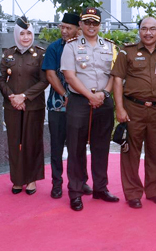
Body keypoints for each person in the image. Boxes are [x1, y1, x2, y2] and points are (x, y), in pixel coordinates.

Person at [112, 16, 156, 209]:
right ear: (139, 30)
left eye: (152, 29)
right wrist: (120, 108)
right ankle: (133, 193)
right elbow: (117, 80)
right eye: (144, 28)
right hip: (133, 108)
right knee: (131, 152)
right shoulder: (127, 52)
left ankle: (155, 191)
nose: (148, 32)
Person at [61, 7, 119, 211]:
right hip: (79, 101)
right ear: (81, 25)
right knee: (76, 148)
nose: (91, 26)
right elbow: (69, 76)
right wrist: (90, 95)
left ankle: (101, 188)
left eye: (95, 23)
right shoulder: (71, 47)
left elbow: (115, 75)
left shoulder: (110, 47)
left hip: (104, 100)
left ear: (100, 25)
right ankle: (75, 192)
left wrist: (103, 94)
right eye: (87, 22)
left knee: (101, 147)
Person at [42, 12, 92, 199]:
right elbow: (50, 74)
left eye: (68, 28)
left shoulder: (86, 47)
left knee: (78, 147)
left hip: (80, 106)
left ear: (78, 29)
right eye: (61, 27)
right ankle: (57, 183)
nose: (63, 31)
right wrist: (65, 95)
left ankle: (80, 181)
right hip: (58, 106)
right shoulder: (54, 48)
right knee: (56, 147)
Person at [0, 16, 49, 196]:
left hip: (33, 106)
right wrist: (12, 96)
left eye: (28, 33)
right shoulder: (7, 54)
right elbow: (0, 79)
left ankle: (32, 178)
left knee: (32, 142)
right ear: (16, 34)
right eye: (22, 33)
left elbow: (45, 81)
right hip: (12, 105)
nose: (25, 37)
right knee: (14, 143)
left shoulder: (41, 54)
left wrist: (24, 97)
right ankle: (17, 180)